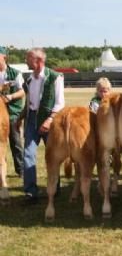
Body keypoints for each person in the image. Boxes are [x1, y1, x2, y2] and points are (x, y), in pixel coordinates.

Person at [23, 48, 65, 204]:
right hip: (32, 119)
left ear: (38, 61)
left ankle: (55, 187)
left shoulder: (55, 77)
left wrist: (49, 120)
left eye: (28, 58)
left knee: (53, 155)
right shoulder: (29, 80)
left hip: (50, 120)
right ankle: (30, 192)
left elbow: (60, 103)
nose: (26, 61)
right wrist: (22, 118)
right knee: (28, 154)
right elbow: (29, 103)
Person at [0, 46, 25, 177]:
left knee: (15, 142)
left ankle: (20, 170)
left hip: (13, 112)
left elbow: (22, 91)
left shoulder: (15, 73)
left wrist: (10, 96)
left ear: (4, 57)